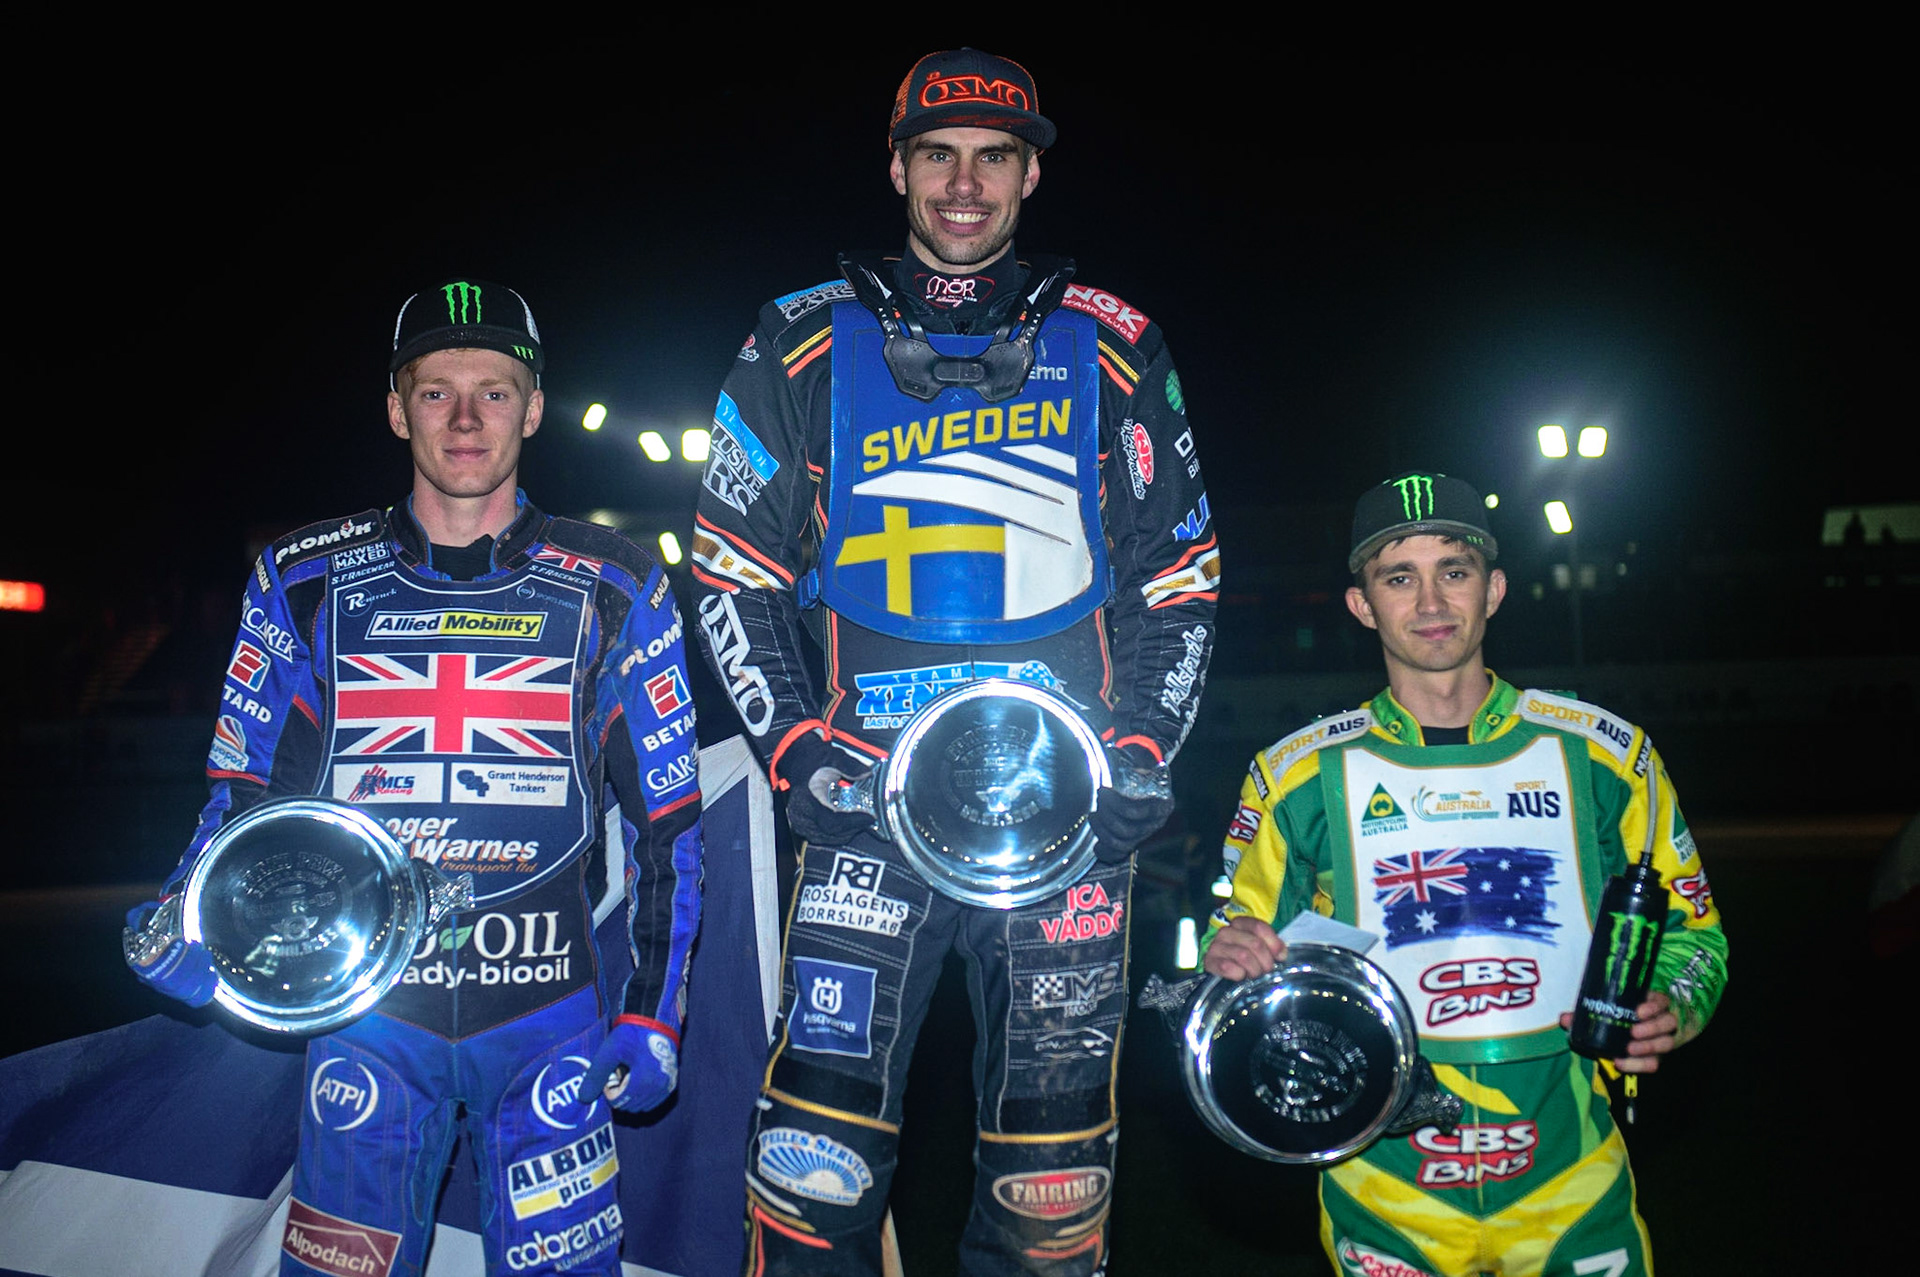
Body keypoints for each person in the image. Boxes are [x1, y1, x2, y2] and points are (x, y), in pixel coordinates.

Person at [689, 48, 1219, 1277]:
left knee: (1053, 1186)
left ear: (1031, 173)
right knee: (811, 1171)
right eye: (939, 155)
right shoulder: (798, 341)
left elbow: (1177, 579)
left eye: (992, 155)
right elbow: (732, 569)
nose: (964, 182)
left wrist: (1137, 748)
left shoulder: (1117, 342)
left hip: (1061, 827)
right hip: (864, 814)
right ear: (897, 168)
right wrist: (796, 745)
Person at [124, 278, 705, 1277]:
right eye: (437, 391)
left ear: (533, 406)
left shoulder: (617, 583)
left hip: (547, 1013)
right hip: (367, 1018)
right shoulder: (303, 577)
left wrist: (654, 1009)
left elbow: (671, 825)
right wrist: (186, 915)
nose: (468, 417)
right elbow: (243, 789)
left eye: (495, 388)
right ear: (397, 409)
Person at [1204, 471, 1729, 1276]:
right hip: (1384, 1188)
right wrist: (1231, 956)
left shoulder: (1607, 755)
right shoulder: (1294, 776)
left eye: (1454, 570)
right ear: (1361, 605)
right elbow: (1231, 957)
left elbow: (1693, 937)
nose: (1431, 602)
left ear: (1495, 590)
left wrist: (1672, 1005)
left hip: (1573, 1179)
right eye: (1398, 577)